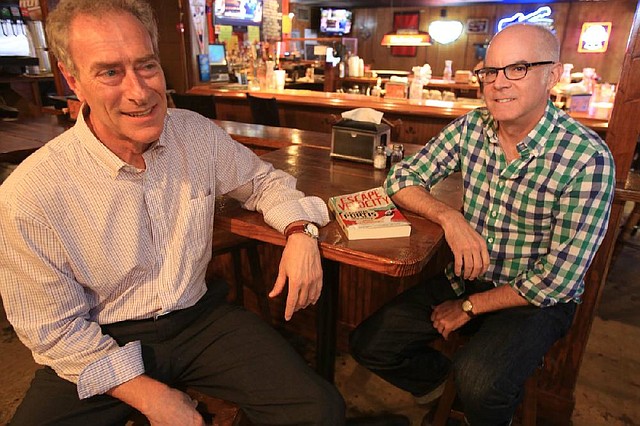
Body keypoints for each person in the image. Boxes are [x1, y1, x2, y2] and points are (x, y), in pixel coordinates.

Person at [0, 0, 345, 425]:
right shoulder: (29, 194)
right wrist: (152, 397)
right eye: (110, 72)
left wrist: (301, 230)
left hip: (200, 321)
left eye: (146, 66)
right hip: (98, 337)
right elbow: (53, 330)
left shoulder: (194, 133)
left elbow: (263, 182)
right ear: (74, 81)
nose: (140, 92)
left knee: (320, 410)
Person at [349, 23, 614, 426]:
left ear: (553, 75)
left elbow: (558, 280)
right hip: (466, 278)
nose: (498, 84)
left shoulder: (587, 158)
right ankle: (443, 392)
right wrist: (449, 217)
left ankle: (477, 408)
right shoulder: (472, 127)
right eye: (490, 71)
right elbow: (400, 180)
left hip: (536, 301)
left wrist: (468, 308)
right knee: (369, 343)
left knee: (479, 381)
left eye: (517, 68)